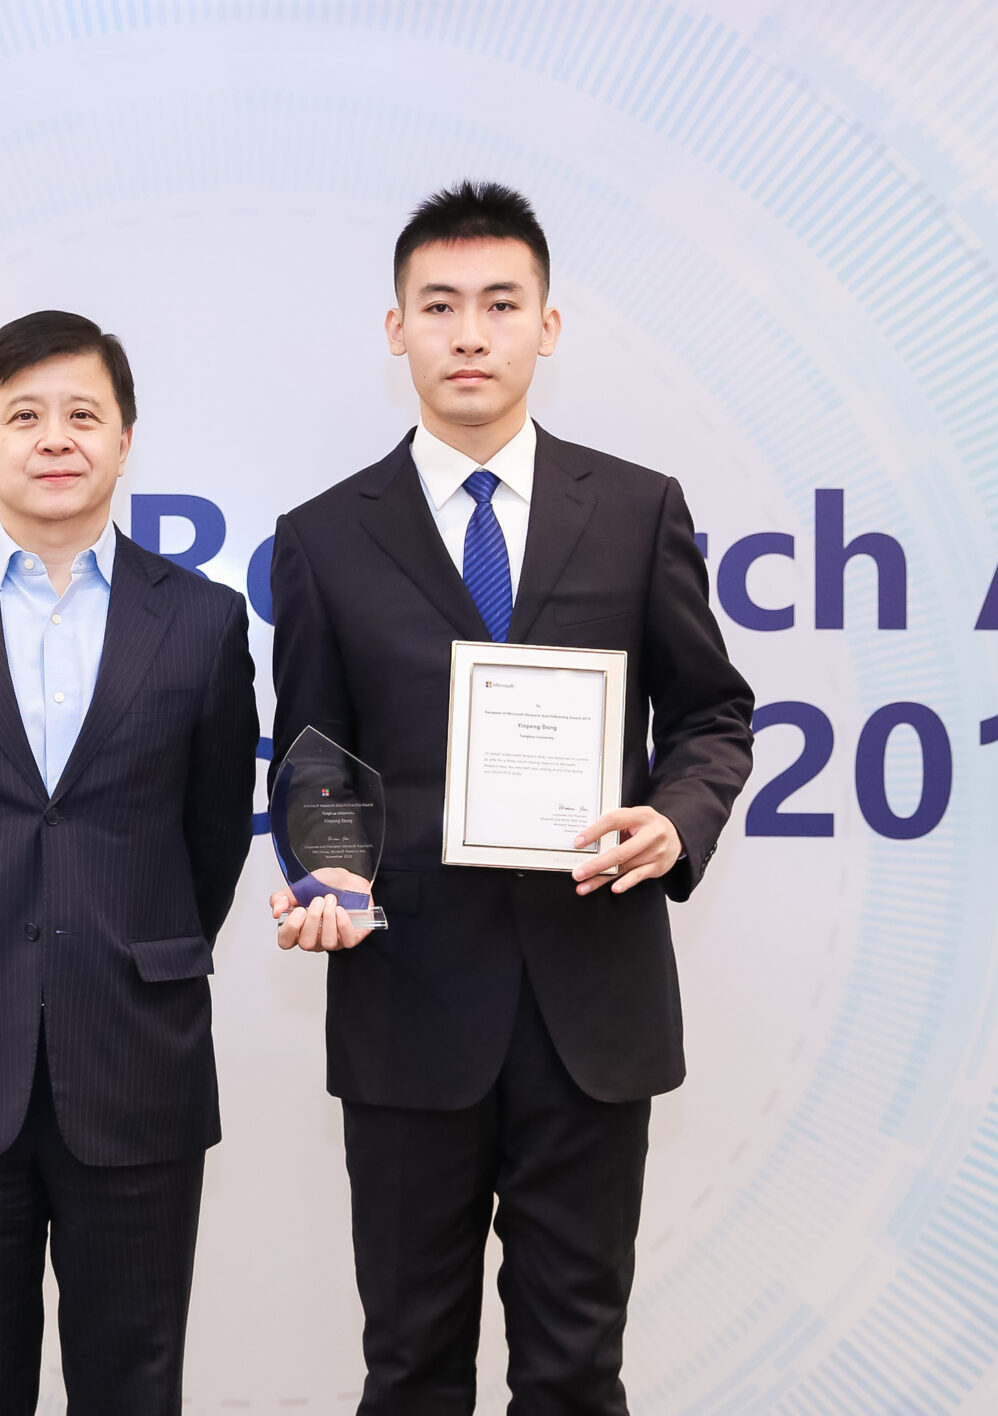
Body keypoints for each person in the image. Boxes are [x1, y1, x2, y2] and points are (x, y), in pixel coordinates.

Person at [267, 182, 756, 1413]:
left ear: (548, 325)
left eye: (500, 304)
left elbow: (710, 714)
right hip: (407, 1005)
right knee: (411, 1367)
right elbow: (315, 755)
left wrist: (675, 818)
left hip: (590, 1007)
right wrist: (328, 869)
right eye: (439, 307)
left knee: (575, 1369)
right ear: (397, 331)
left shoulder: (637, 510)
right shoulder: (323, 537)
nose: (470, 334)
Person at [0, 309, 260, 1415]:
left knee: (134, 1384)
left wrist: (132, 945)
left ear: (125, 440)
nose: (55, 438)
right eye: (24, 415)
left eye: (83, 414)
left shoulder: (204, 621)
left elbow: (214, 837)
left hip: (136, 1059)